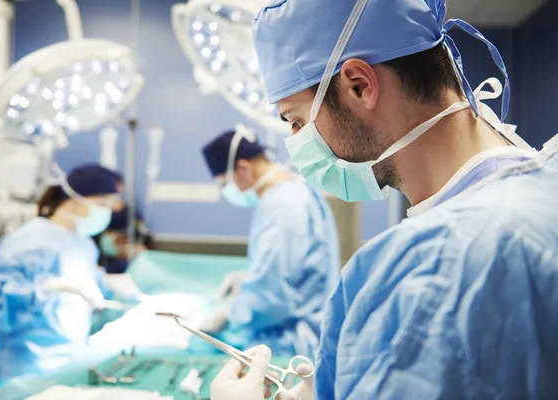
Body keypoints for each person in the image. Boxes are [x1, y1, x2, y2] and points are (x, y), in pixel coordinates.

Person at [210, 0, 558, 399]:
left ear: (360, 85)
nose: (295, 142)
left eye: (296, 120)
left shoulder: (438, 271)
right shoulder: (542, 181)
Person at [0, 164, 125, 391]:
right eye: (101, 204)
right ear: (74, 199)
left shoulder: (81, 241)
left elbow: (87, 292)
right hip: (25, 368)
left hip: (68, 361)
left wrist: (109, 282)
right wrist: (48, 287)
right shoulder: (32, 239)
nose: (106, 213)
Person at [200, 125, 340, 357]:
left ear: (243, 168)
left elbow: (274, 295)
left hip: (289, 349)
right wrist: (248, 278)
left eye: (224, 183)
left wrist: (232, 313)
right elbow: (298, 272)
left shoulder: (283, 205)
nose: (226, 191)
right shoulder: (294, 193)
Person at [94, 205, 152, 274]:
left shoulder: (115, 265)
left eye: (135, 253)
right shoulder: (125, 220)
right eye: (136, 246)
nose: (132, 249)